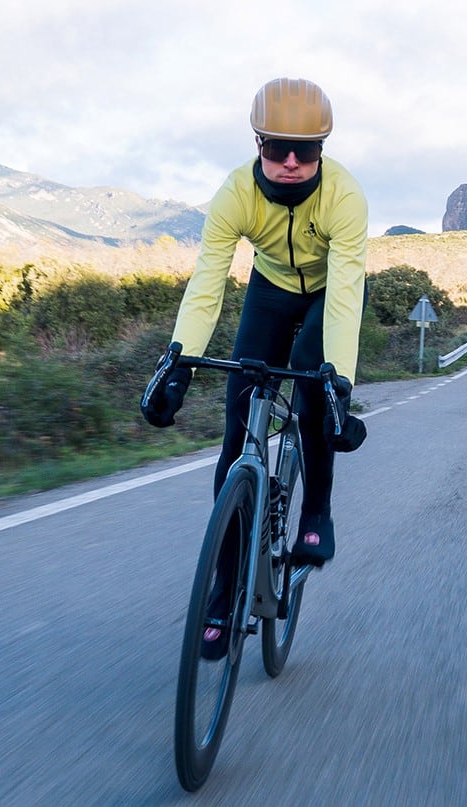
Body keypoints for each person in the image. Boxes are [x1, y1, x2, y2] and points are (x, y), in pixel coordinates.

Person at [141, 76, 368, 575]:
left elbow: (347, 295)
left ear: (322, 150)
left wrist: (341, 383)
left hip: (329, 292)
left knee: (314, 387)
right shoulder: (235, 194)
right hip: (271, 288)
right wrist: (178, 365)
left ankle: (316, 513)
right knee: (239, 415)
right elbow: (207, 284)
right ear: (259, 144)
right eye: (279, 148)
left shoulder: (345, 197)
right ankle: (224, 582)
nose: (292, 162)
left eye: (306, 151)